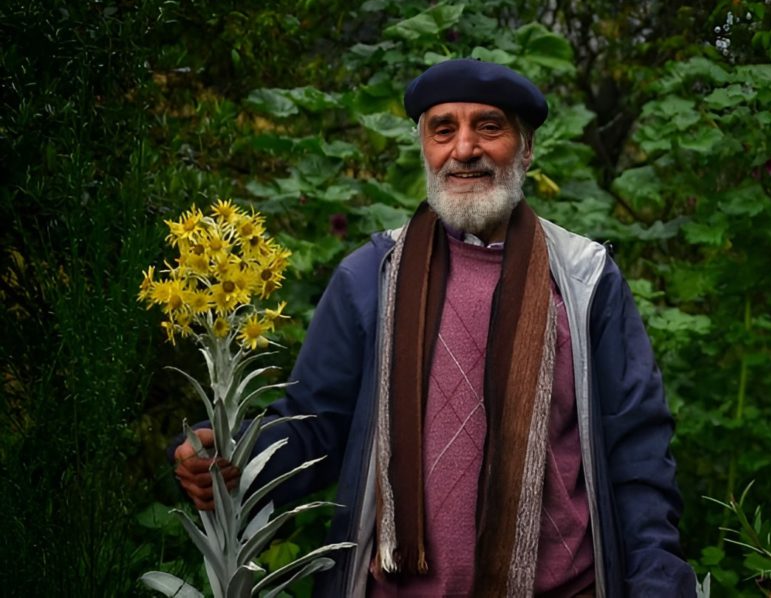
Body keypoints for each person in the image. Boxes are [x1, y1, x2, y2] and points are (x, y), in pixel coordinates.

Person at [174, 59, 697, 597]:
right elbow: (315, 431)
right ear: (424, 145)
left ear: (527, 146)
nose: (464, 149)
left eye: (488, 127)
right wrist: (232, 453)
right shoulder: (369, 277)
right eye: (443, 129)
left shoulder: (586, 279)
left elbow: (638, 453)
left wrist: (657, 581)